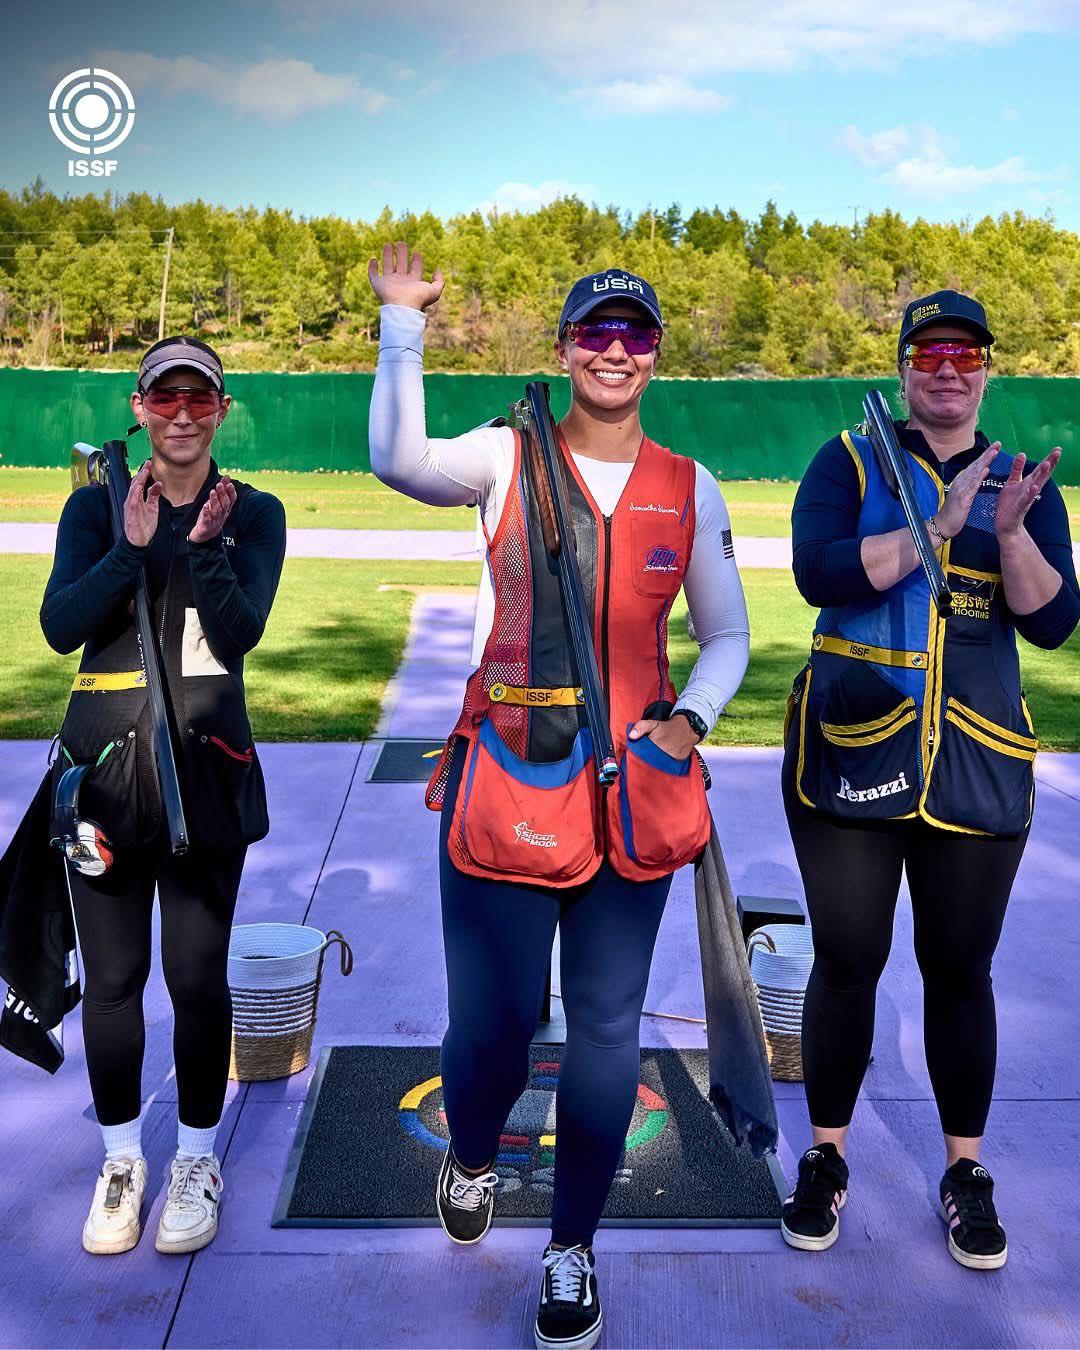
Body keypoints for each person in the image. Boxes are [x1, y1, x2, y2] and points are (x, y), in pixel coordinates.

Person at [368, 244, 750, 1350]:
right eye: (597, 331)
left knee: (607, 1039)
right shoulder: (504, 455)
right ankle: (475, 1155)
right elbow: (395, 455)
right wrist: (404, 323)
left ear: (659, 352)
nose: (615, 350)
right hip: (507, 787)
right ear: (566, 348)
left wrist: (693, 721)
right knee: (489, 1029)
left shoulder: (693, 484)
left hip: (634, 802)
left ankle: (572, 1245)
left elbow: (725, 637)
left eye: (635, 333)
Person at [780, 290, 1079, 1269]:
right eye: (928, 352)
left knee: (959, 974)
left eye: (966, 353)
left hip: (979, 766)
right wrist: (933, 529)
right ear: (904, 365)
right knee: (849, 959)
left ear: (988, 367)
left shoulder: (1023, 482)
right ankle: (826, 1157)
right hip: (855, 756)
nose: (947, 369)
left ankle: (963, 1172)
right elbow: (818, 572)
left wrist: (1017, 532)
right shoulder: (849, 459)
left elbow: (1052, 621)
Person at [40, 335, 286, 1256]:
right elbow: (63, 626)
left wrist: (206, 545)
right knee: (111, 981)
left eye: (200, 397)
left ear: (222, 410)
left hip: (206, 773)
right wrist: (130, 552)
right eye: (164, 397)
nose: (182, 412)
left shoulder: (253, 512)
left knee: (194, 977)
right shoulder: (93, 508)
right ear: (138, 408)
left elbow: (241, 630)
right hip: (101, 778)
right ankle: (118, 1163)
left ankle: (191, 1158)